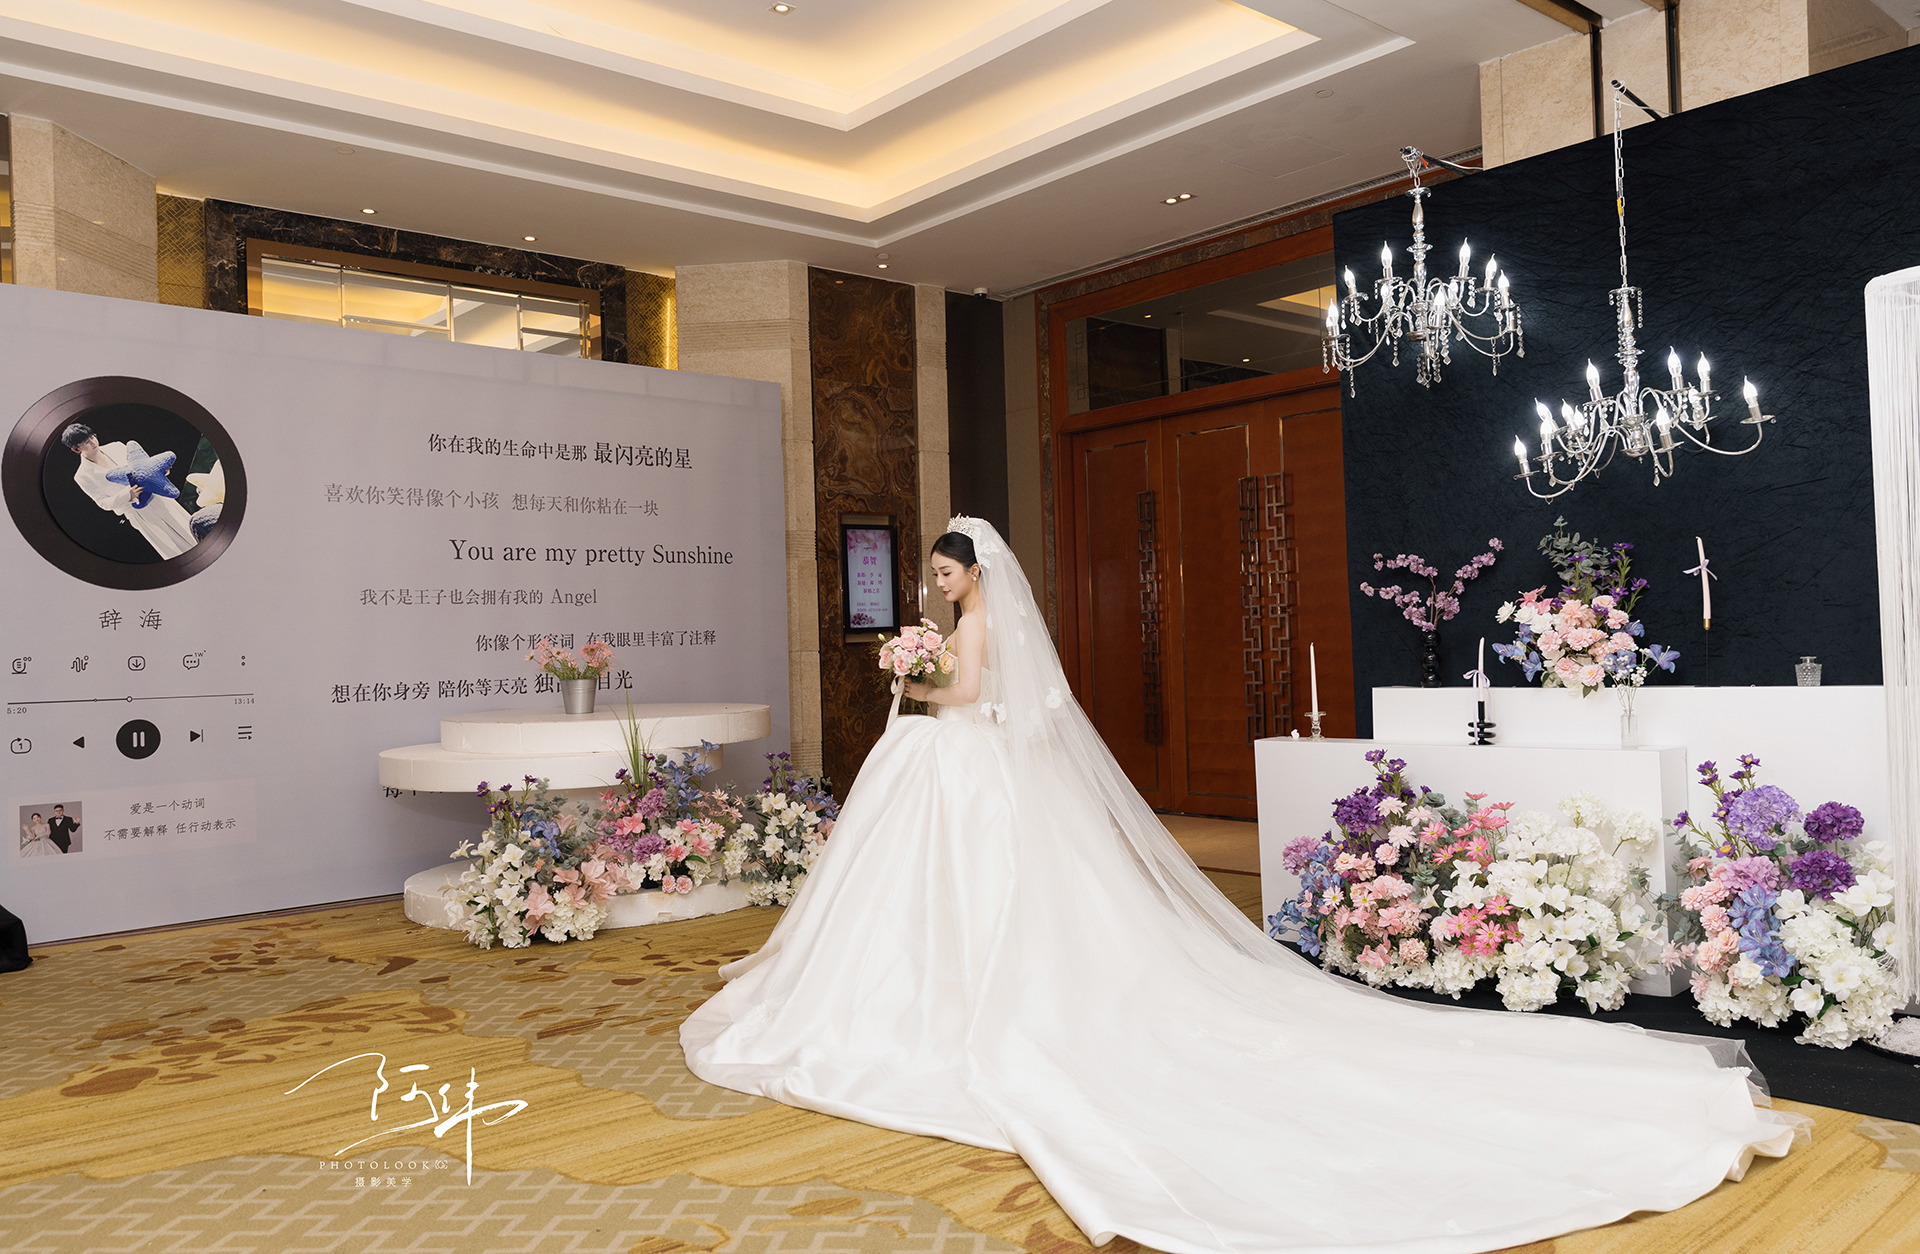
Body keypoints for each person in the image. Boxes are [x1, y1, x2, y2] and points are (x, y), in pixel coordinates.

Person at [682, 516, 1800, 1254]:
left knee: (984, 891)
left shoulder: (971, 627)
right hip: (969, 773)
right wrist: (919, 670)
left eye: (944, 570)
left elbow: (974, 697)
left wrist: (918, 684)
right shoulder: (972, 616)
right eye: (932, 574)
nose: (936, 583)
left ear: (976, 573)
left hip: (963, 757)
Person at [62, 423, 197, 560]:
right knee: (173, 548)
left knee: (190, 529)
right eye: (86, 442)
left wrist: (162, 471)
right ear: (76, 449)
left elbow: (146, 466)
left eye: (92, 437)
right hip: (137, 510)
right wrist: (128, 495)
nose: (92, 442)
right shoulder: (83, 475)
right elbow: (103, 502)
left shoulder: (116, 447)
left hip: (158, 496)